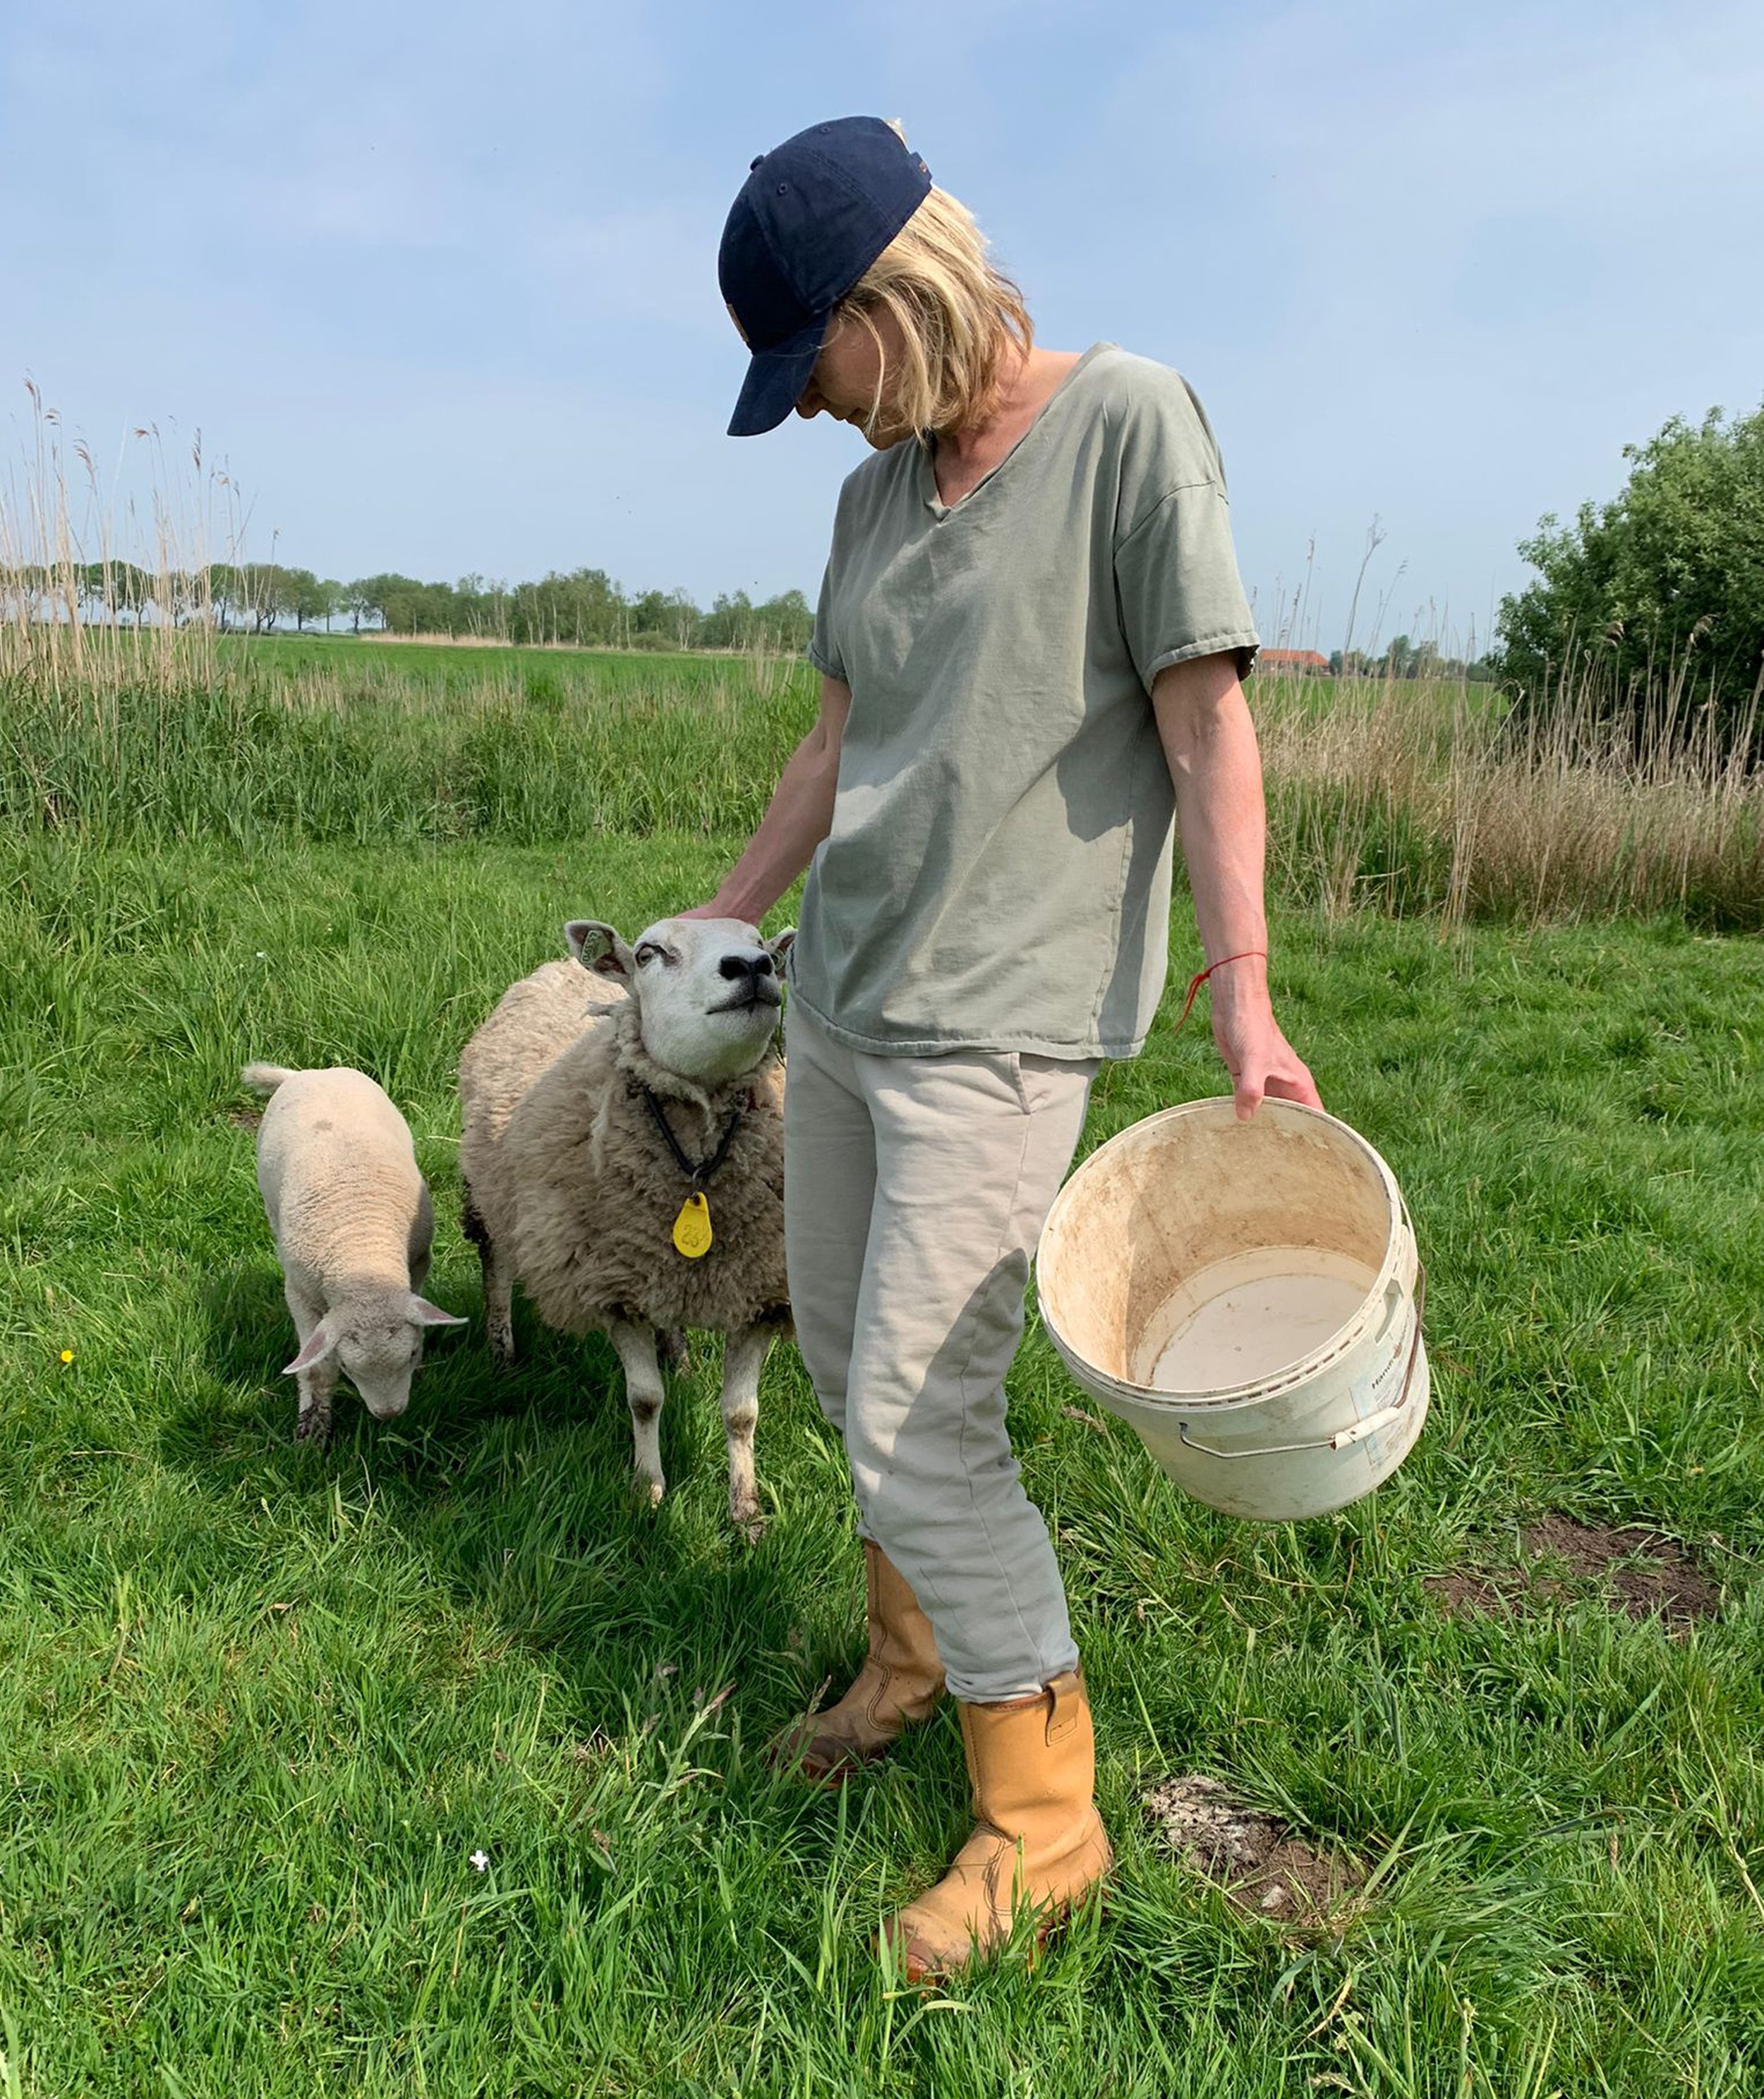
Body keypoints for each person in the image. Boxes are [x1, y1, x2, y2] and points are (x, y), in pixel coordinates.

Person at [692, 116, 1321, 1981]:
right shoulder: (873, 497)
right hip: (844, 993)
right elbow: (833, 751)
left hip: (1001, 1026)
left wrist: (1243, 980)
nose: (808, 410)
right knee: (839, 1376)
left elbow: (1206, 729)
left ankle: (1042, 1829)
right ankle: (905, 1662)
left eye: (809, 368)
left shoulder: (1125, 421)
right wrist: (725, 915)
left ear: (895, 295)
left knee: (915, 1414)